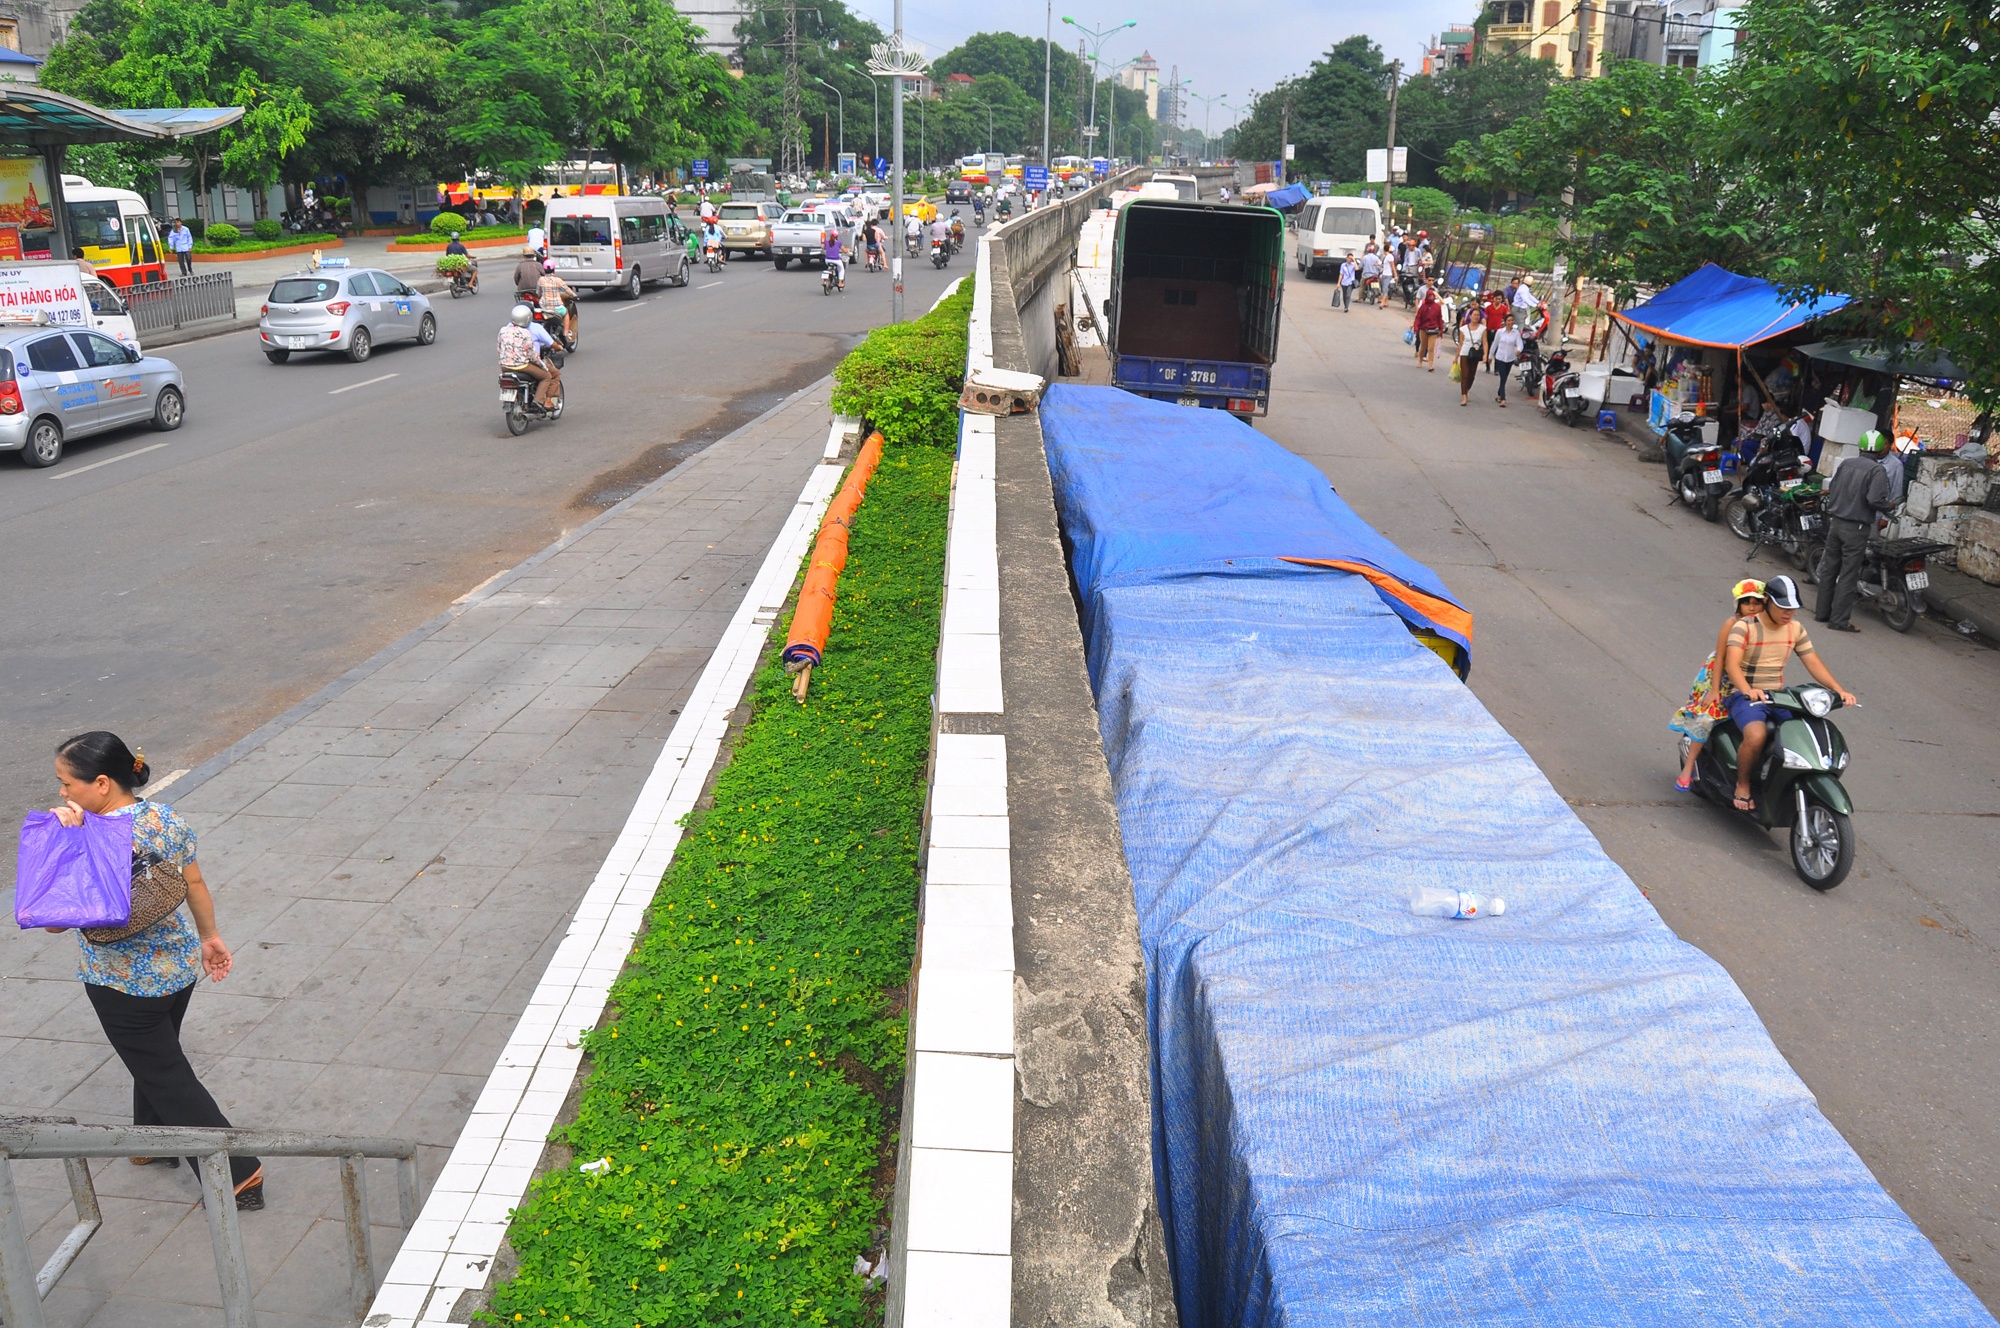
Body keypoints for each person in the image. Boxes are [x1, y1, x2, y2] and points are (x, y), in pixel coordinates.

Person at [41, 732, 265, 1209]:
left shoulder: (89, 839)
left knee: (166, 1073)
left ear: (100, 783)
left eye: (66, 783)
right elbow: (194, 880)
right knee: (157, 1058)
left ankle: (240, 1173)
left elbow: (56, 924)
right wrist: (210, 938)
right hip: (179, 967)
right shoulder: (163, 817)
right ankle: (152, 1141)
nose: (61, 793)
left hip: (122, 983)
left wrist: (63, 843)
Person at [1722, 574, 1856, 812]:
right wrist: (1747, 690)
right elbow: (1732, 664)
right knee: (1756, 735)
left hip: (1778, 695)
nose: (1788, 614)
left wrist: (1839, 690)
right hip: (1743, 695)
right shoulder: (1744, 626)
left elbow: (1812, 661)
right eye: (1783, 607)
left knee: (1803, 730)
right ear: (1767, 602)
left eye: (1792, 609)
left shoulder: (1795, 629)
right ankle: (1742, 785)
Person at [1672, 581, 1768, 791]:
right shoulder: (1731, 624)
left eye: (1757, 603)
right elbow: (1721, 658)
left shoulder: (1764, 627)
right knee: (1707, 718)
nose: (1752, 607)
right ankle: (1688, 769)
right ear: (1739, 605)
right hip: (1719, 677)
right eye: (1747, 603)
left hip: (1747, 679)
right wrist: (1715, 690)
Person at [1815, 429, 1898, 632]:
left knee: (1829, 570)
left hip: (1836, 523)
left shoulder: (1846, 463)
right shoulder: (1876, 470)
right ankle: (1839, 621)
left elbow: (1833, 488)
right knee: (1848, 575)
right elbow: (1874, 500)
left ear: (1860, 447)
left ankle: (1822, 613)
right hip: (1856, 528)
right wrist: (1890, 506)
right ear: (1880, 449)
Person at [499, 303, 560, 407]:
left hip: (504, 366)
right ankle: (539, 401)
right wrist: (542, 366)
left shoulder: (503, 330)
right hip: (522, 366)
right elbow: (532, 355)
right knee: (547, 376)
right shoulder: (526, 333)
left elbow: (499, 348)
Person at [537, 260, 579, 341]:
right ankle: (566, 333)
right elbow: (567, 290)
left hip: (544, 308)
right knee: (566, 313)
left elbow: (538, 292)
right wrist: (574, 295)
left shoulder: (541, 280)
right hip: (556, 308)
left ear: (544, 269)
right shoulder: (558, 280)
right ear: (553, 269)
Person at [1455, 300, 1485, 406]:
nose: (1476, 317)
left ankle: (1466, 390)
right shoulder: (1463, 329)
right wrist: (1456, 357)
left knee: (1472, 375)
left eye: (1478, 315)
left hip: (1475, 353)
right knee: (1465, 374)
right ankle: (1463, 396)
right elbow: (1461, 343)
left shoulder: (1483, 329)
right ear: (1470, 316)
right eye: (1474, 315)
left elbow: (1485, 343)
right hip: (1465, 353)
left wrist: (1485, 354)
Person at [1491, 320, 1525, 406]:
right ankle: (1503, 398)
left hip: (1510, 358)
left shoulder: (1516, 333)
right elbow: (1495, 344)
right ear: (1505, 322)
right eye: (1508, 321)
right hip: (1500, 357)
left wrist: (1518, 350)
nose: (1510, 322)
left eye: (1512, 321)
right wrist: (1490, 356)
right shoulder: (1500, 332)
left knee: (1505, 377)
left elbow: (1520, 343)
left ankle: (1499, 392)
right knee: (1503, 377)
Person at [1412, 281, 1444, 371]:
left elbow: (1439, 319)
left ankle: (1430, 364)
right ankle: (1420, 361)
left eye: (1432, 296)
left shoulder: (1437, 307)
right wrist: (1416, 327)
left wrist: (1441, 330)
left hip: (1433, 330)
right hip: (1423, 329)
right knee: (1423, 346)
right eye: (1430, 296)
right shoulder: (1423, 306)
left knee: (1431, 348)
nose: (1431, 298)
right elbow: (1418, 317)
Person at [1483, 292, 1507, 369]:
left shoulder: (1504, 308)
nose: (1498, 300)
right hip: (1489, 329)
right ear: (1493, 299)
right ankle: (1487, 366)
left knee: (1497, 349)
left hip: (1499, 331)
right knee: (1489, 347)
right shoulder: (1489, 308)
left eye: (1500, 299)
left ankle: (1496, 368)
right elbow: (1485, 318)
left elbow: (1505, 318)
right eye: (1497, 299)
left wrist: (1503, 325)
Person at [820, 224, 846, 288]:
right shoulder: (839, 243)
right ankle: (840, 283)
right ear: (837, 236)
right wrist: (849, 250)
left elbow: (825, 248)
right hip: (836, 260)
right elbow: (845, 250)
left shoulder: (826, 242)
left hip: (827, 260)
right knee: (841, 269)